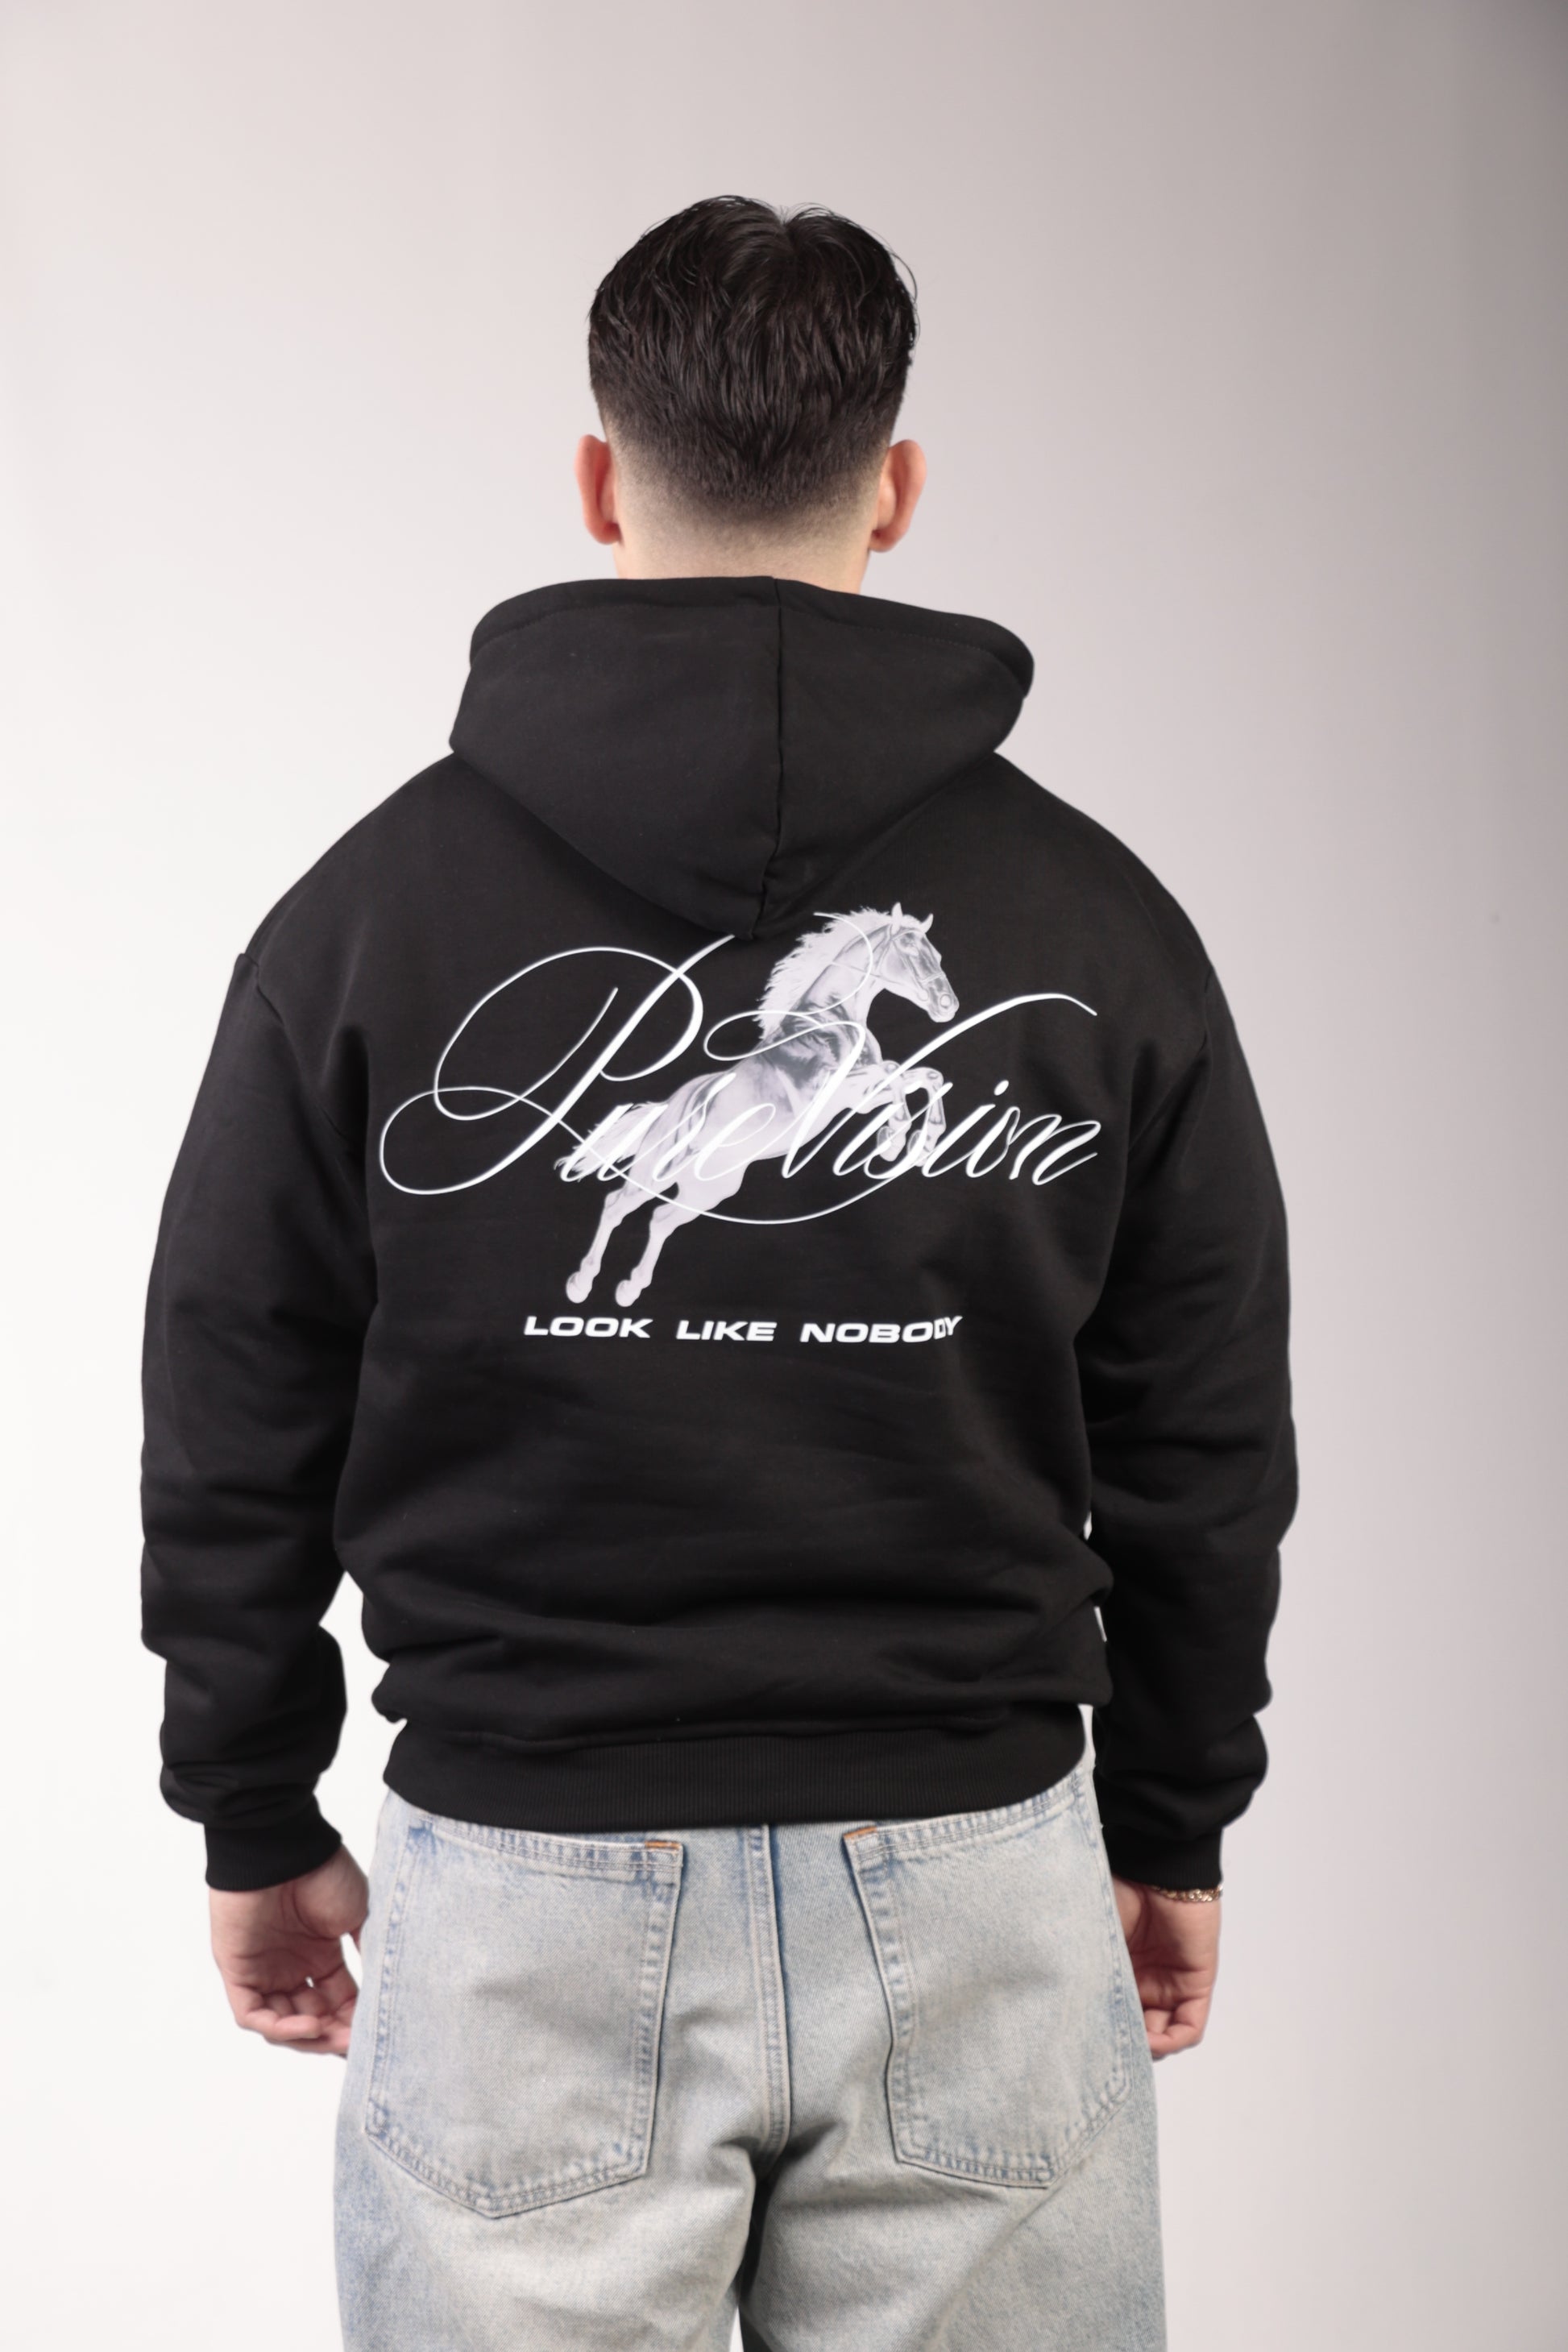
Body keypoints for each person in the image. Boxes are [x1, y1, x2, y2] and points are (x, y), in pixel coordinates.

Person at [142, 195, 1295, 2352]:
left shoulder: (364, 916)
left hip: (524, 1889)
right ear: (896, 489)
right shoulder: (1100, 924)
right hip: (976, 1882)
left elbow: (232, 1388)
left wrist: (250, 1802)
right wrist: (1170, 1818)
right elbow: (1203, 1429)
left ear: (599, 482)